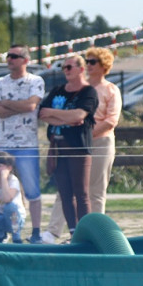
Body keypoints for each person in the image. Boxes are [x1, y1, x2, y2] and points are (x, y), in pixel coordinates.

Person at [43, 47, 122, 242]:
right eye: (86, 61)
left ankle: (95, 233)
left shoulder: (110, 89)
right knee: (66, 190)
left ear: (104, 66)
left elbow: (111, 120)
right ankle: (53, 231)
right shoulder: (79, 89)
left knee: (94, 191)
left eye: (93, 62)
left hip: (100, 142)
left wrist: (84, 133)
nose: (88, 65)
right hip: (74, 143)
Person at [0, 44, 46, 243]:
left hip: (27, 144)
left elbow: (32, 105)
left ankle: (36, 231)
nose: (10, 59)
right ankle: (0, 232)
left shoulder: (35, 81)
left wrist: (5, 103)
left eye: (14, 56)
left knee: (32, 189)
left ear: (26, 60)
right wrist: (20, 107)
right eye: (8, 55)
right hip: (2, 143)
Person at [39, 55, 98, 234]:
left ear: (81, 69)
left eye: (69, 67)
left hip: (78, 147)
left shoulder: (88, 92)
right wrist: (65, 116)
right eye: (64, 67)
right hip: (57, 146)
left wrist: (55, 115)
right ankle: (73, 231)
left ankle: (85, 232)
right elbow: (42, 114)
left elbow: (79, 116)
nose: (66, 70)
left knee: (81, 193)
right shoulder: (57, 90)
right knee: (64, 193)